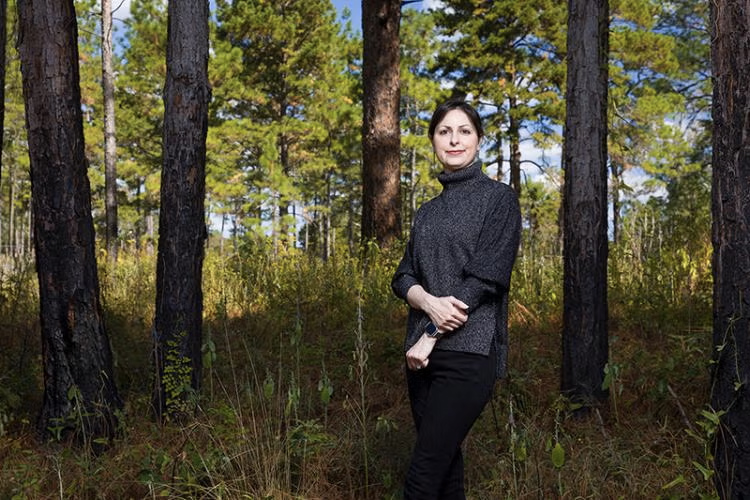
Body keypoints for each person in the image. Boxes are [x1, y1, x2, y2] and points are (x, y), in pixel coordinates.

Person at [391, 97, 522, 499]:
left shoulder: (499, 199)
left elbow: (485, 278)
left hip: (468, 354)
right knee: (446, 473)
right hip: (420, 359)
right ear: (432, 140)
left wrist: (431, 330)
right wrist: (426, 302)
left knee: (423, 475)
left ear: (479, 141)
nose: (454, 140)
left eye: (464, 131)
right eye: (444, 131)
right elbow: (402, 276)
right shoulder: (427, 212)